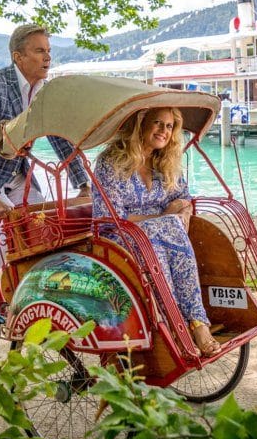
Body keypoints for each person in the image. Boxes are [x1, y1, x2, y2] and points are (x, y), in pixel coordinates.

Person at [0, 24, 90, 324]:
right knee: (9, 224)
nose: (47, 57)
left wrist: (83, 183)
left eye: (49, 51)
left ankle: (27, 283)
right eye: (39, 51)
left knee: (42, 222)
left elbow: (60, 138)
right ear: (18, 56)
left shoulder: (44, 92)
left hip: (15, 174)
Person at [92, 107, 221, 357]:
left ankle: (196, 323)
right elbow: (113, 218)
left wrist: (182, 212)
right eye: (158, 123)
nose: (164, 131)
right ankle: (176, 325)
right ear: (141, 124)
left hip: (162, 235)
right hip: (117, 236)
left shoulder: (164, 162)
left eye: (170, 126)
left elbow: (183, 199)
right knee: (164, 229)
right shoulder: (111, 162)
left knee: (168, 231)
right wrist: (163, 217)